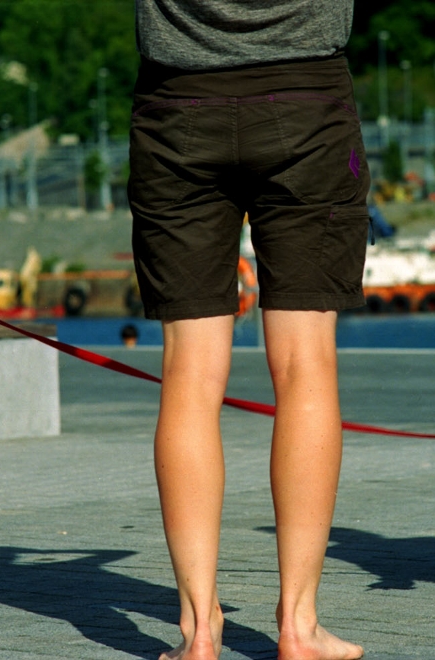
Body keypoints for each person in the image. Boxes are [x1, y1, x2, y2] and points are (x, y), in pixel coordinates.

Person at [129, 2, 369, 658]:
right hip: (307, 98)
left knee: (189, 372)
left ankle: (200, 632)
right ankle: (299, 625)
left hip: (177, 99)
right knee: (306, 364)